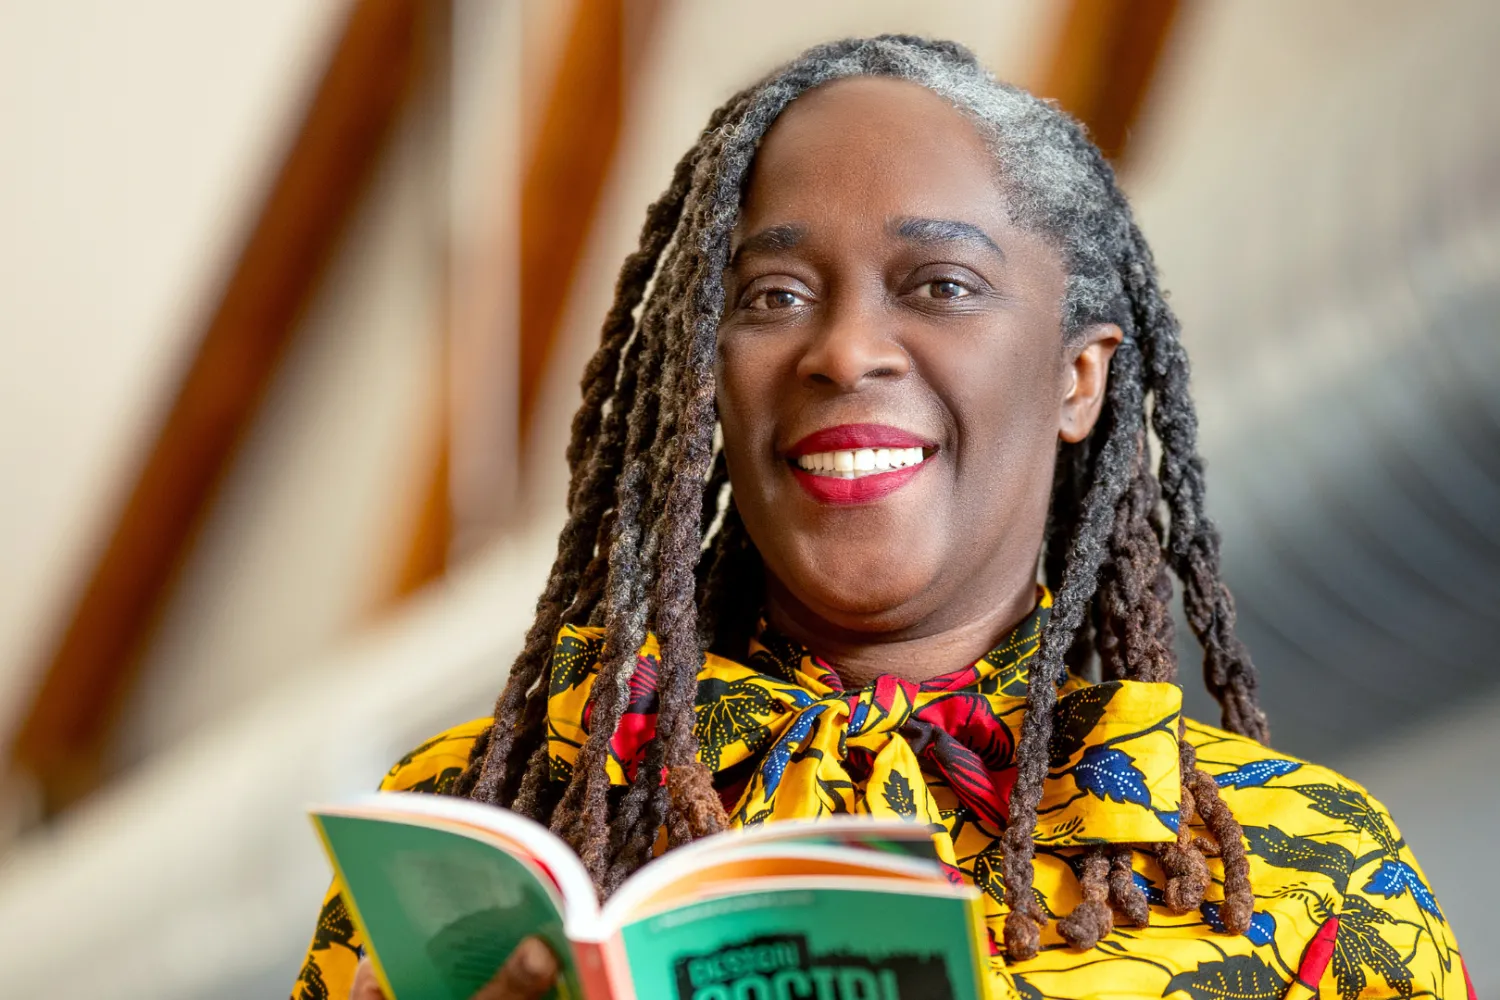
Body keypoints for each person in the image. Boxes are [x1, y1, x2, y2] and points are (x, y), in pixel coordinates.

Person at [293, 36, 1471, 1000]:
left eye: (940, 286)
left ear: (1079, 378)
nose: (846, 349)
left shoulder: (1311, 874)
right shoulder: (470, 833)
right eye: (774, 296)